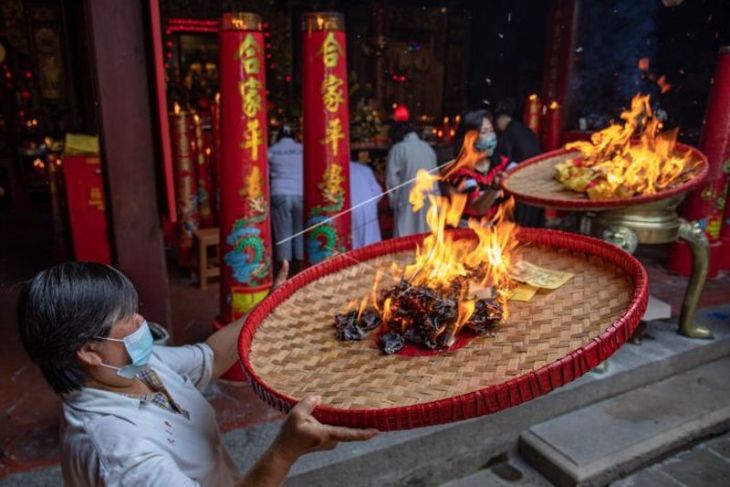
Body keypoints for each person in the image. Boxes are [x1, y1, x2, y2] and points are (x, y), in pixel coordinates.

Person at [17, 262, 377, 486]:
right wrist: (285, 450)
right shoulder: (121, 455)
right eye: (125, 317)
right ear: (88, 351)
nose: (140, 320)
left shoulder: (133, 369)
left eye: (135, 308)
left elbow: (210, 356)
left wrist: (270, 305)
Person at [445, 110, 510, 225]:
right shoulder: (460, 172)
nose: (491, 136)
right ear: (470, 139)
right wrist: (494, 188)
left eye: (491, 131)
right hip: (466, 234)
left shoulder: (500, 162)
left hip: (495, 233)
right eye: (485, 132)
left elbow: (521, 172)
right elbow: (478, 208)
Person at [494, 98, 546, 228]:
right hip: (537, 182)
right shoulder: (525, 130)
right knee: (532, 224)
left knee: (518, 226)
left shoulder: (508, 133)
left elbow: (503, 162)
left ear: (501, 120)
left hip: (522, 184)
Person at [385, 123, 440, 237]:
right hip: (430, 198)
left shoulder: (399, 148)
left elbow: (391, 179)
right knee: (426, 234)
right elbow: (436, 176)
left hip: (407, 199)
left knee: (405, 233)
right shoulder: (428, 149)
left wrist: (393, 201)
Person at [268, 125, 304, 273]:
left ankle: (285, 272)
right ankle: (301, 270)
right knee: (300, 232)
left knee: (283, 233)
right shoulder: (302, 149)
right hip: (300, 193)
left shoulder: (271, 151)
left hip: (279, 193)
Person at [349, 160, 383, 249]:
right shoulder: (364, 169)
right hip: (367, 209)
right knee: (369, 242)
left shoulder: (332, 170)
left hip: (348, 210)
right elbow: (378, 192)